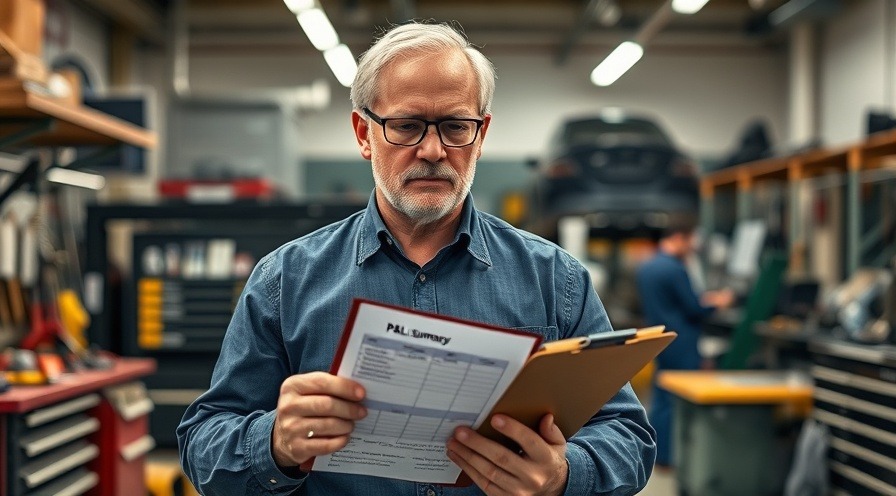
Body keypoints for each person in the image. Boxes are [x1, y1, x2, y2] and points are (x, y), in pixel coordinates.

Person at [178, 21, 656, 495]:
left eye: (455, 126)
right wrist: (276, 444)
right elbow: (204, 442)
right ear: (364, 133)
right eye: (406, 126)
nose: (433, 150)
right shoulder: (285, 281)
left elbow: (629, 439)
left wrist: (563, 475)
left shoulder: (556, 280)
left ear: (481, 134)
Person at [635, 221, 734, 469]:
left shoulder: (648, 267)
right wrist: (717, 301)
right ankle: (672, 456)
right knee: (678, 400)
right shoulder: (675, 269)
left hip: (661, 339)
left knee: (662, 398)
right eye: (689, 241)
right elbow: (694, 308)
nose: (691, 247)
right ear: (679, 238)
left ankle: (656, 454)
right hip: (682, 342)